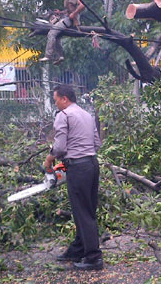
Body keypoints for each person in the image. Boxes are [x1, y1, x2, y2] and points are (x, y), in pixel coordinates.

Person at [43, 84, 103, 271]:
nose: (56, 104)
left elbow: (60, 147)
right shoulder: (87, 115)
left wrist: (49, 160)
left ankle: (93, 258)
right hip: (92, 165)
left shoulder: (64, 115)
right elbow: (96, 143)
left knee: (82, 212)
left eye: (56, 100)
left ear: (64, 99)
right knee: (87, 209)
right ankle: (79, 248)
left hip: (78, 168)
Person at [40, 0, 85, 64]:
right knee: (56, 35)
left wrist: (74, 14)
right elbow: (68, 11)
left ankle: (48, 55)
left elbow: (82, 5)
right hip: (66, 17)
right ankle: (60, 56)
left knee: (51, 33)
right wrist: (60, 12)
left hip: (71, 20)